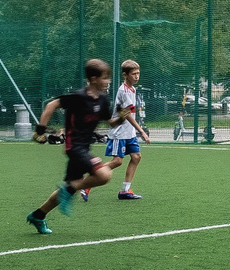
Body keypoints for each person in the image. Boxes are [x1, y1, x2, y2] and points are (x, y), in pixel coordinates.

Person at [28, 60, 119, 234]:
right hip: (73, 147)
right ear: (93, 79)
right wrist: (40, 130)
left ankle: (38, 215)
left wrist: (122, 116)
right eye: (105, 78)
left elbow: (112, 123)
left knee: (70, 186)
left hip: (84, 149)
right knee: (104, 175)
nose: (108, 81)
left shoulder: (103, 100)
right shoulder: (78, 97)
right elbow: (51, 105)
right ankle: (69, 189)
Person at [108, 58, 149, 200]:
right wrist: (141, 131)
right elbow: (126, 115)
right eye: (133, 74)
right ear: (125, 75)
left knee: (136, 157)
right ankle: (90, 180)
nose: (137, 76)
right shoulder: (123, 91)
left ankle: (125, 190)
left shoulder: (133, 89)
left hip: (129, 132)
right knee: (117, 161)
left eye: (138, 73)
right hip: (120, 132)